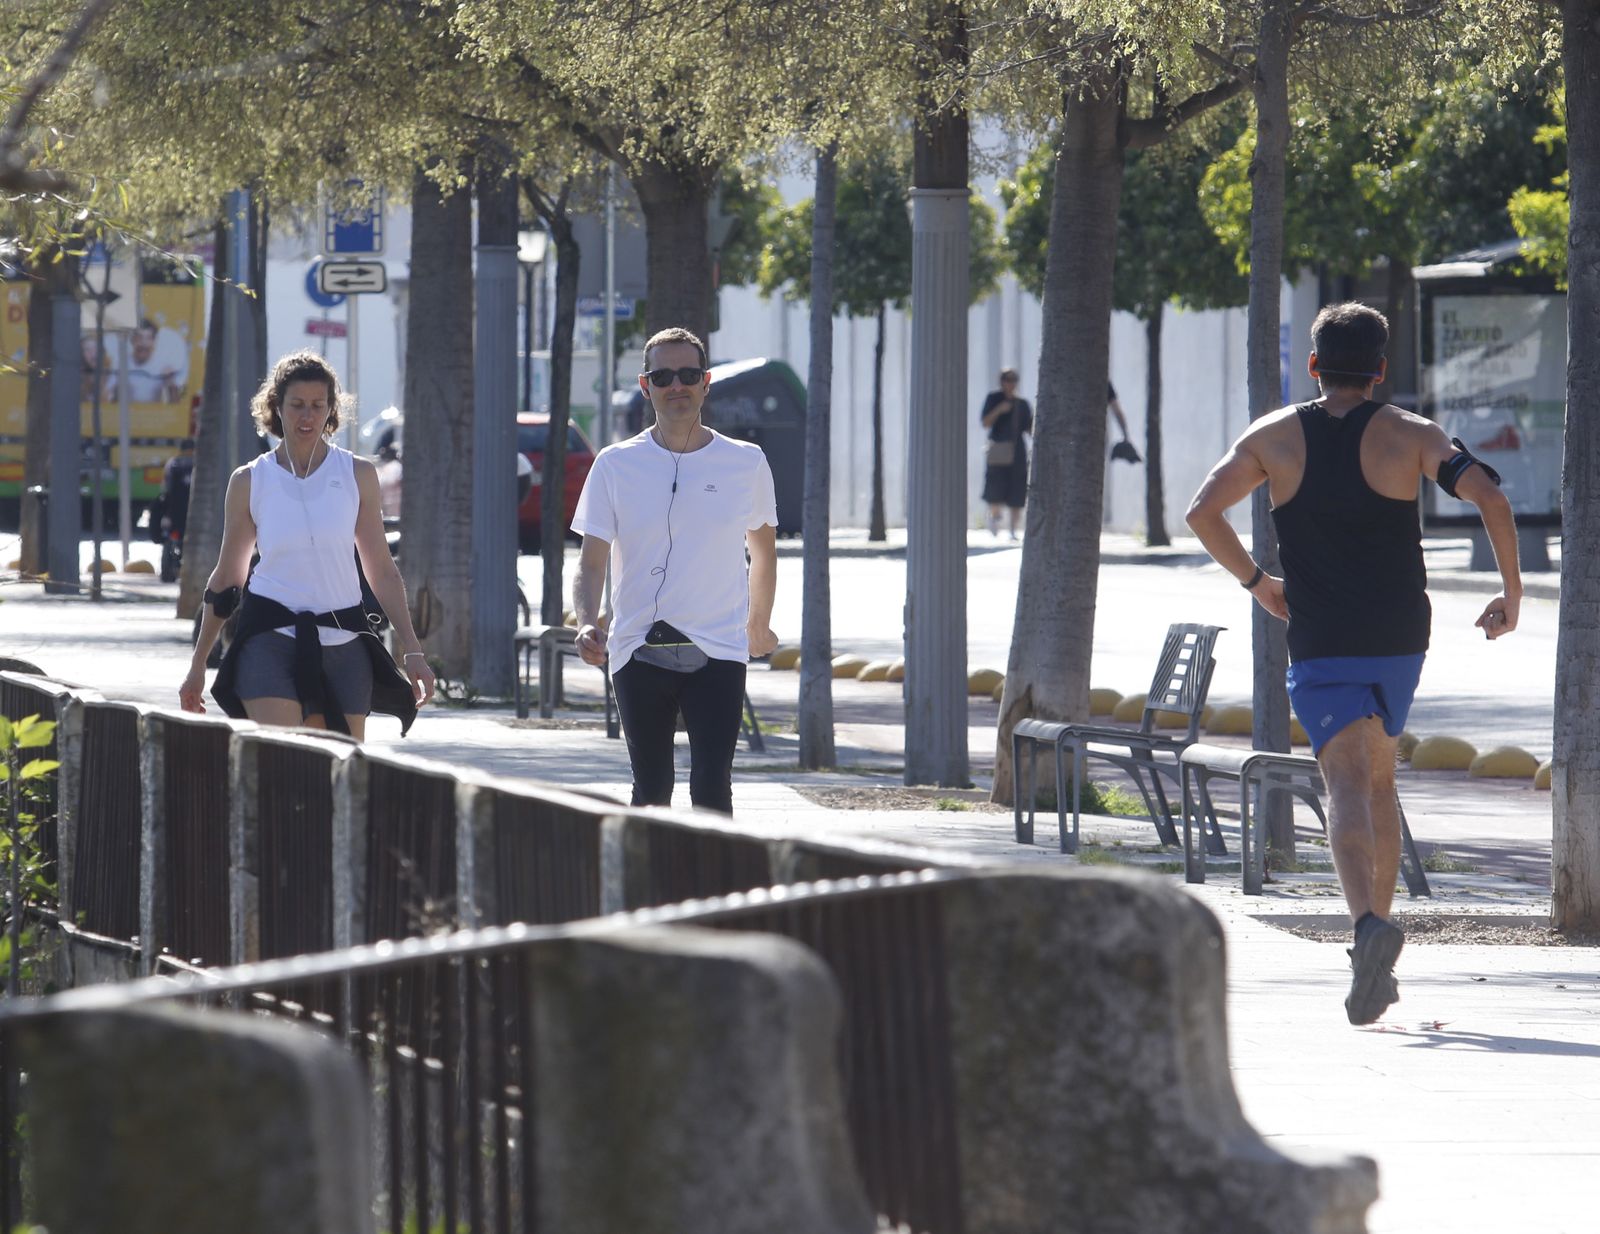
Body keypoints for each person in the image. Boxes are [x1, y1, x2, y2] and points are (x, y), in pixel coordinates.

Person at [1185, 302, 1520, 1026]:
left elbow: (1202, 510)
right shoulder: (1412, 435)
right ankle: (1381, 941)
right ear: (1379, 369)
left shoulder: (1272, 437)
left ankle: (1367, 927)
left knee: (1343, 780)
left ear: (1312, 365)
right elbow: (1491, 495)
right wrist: (1511, 593)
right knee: (1379, 774)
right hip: (1401, 634)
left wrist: (1256, 582)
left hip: (1323, 633)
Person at [571, 326, 779, 814]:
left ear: (706, 382)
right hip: (638, 646)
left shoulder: (745, 462)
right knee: (652, 791)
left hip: (720, 646)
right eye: (663, 376)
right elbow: (591, 559)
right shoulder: (615, 464)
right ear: (646, 386)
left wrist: (758, 623)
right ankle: (647, 889)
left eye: (688, 374)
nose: (676, 386)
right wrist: (585, 620)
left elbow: (764, 553)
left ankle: (716, 889)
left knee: (711, 789)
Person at [179, 351, 434, 738]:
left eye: (318, 406)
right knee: (281, 759)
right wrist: (197, 664)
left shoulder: (358, 474)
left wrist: (412, 649)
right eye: (297, 405)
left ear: (331, 410)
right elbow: (229, 576)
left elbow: (380, 569)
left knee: (342, 767)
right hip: (269, 634)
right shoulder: (251, 480)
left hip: (344, 635)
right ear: (276, 407)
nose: (307, 416)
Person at [979, 368, 1033, 538]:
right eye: (1007, 380)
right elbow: (985, 422)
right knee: (995, 487)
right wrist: (1000, 410)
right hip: (998, 450)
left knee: (1017, 489)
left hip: (1017, 451)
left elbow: (1030, 428)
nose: (1010, 383)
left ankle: (1012, 529)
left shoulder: (1022, 404)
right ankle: (994, 520)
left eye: (1013, 380)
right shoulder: (994, 399)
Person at [107, 320, 186, 404]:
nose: (143, 343)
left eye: (148, 338)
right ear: (132, 340)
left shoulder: (163, 367)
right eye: (139, 337)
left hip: (152, 416)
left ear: (154, 341)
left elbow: (175, 404)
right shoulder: (119, 364)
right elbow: (107, 400)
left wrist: (171, 383)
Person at [1107, 383, 1142, 463]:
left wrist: (1126, 436)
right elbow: (1117, 411)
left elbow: (1117, 411)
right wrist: (1125, 435)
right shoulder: (1104, 382)